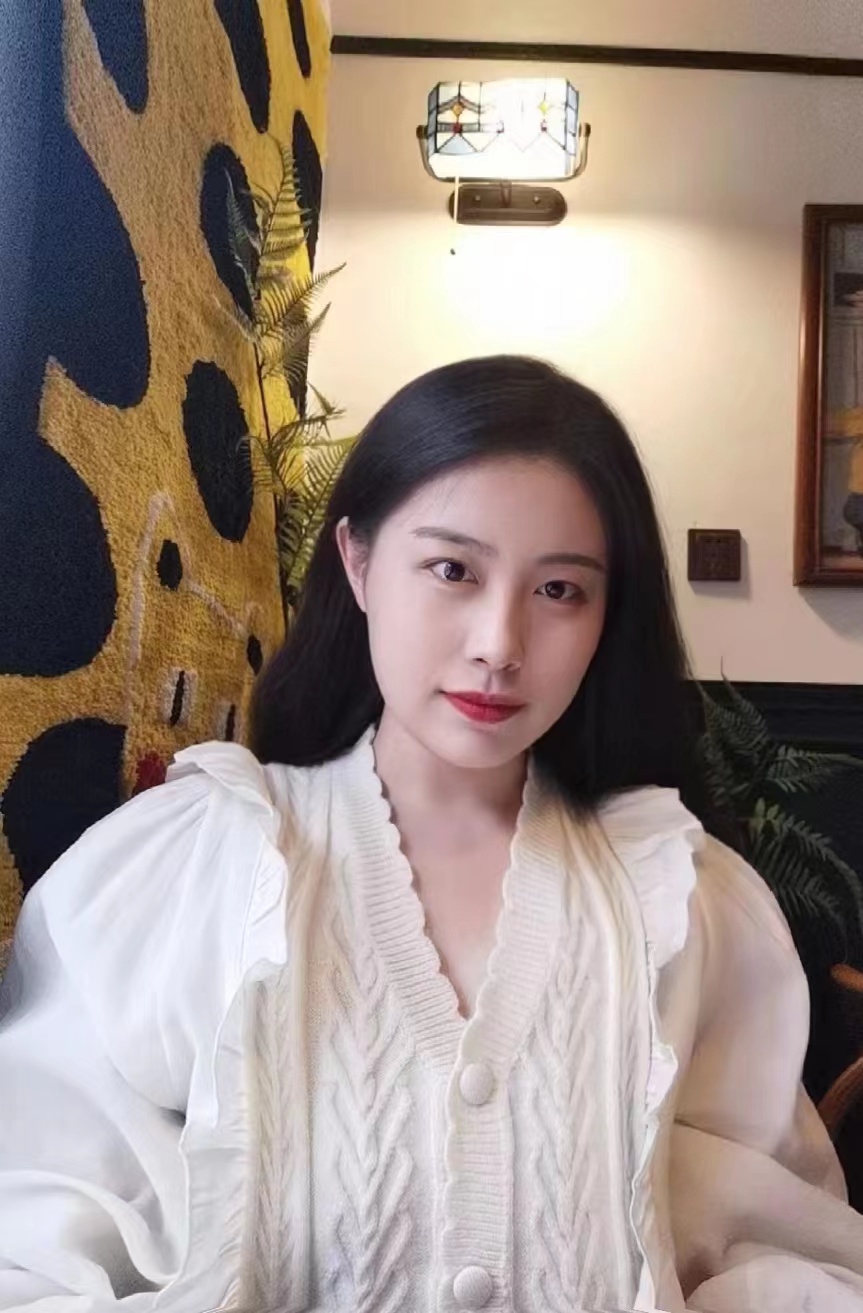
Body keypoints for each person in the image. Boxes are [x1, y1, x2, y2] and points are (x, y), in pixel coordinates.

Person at [1, 355, 861, 1313]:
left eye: (559, 590)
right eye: (452, 569)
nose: (499, 643)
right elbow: (35, 1216)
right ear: (358, 561)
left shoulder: (679, 905)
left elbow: (778, 1239)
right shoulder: (202, 866)